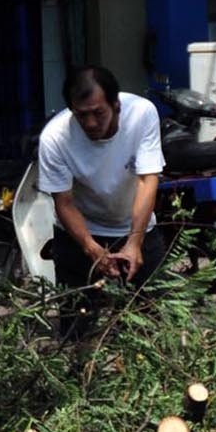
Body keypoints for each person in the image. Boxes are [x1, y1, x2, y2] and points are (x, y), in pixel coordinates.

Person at [37, 65, 168, 336]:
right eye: (82, 115)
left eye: (99, 113)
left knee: (150, 322)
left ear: (116, 105)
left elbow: (148, 179)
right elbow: (64, 201)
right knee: (77, 327)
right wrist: (91, 248)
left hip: (137, 227)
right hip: (80, 234)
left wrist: (135, 242)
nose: (91, 123)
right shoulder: (54, 137)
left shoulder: (142, 113)